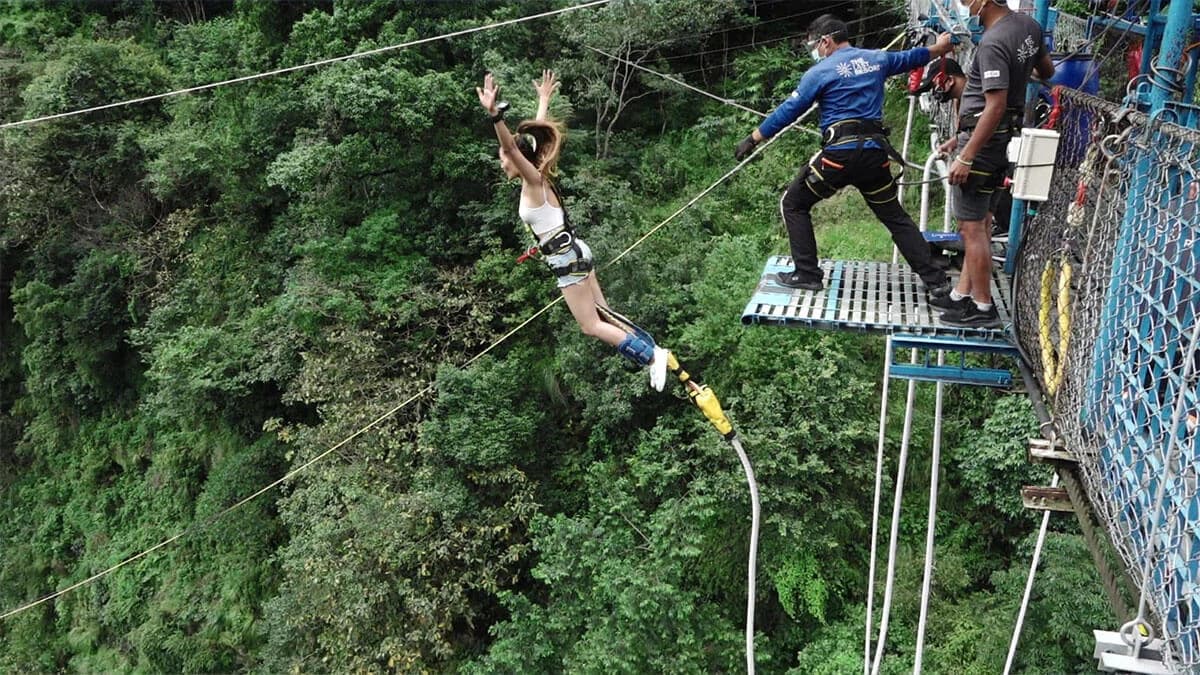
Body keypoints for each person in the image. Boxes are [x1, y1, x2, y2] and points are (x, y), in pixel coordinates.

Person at [733, 14, 955, 297]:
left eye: (814, 45)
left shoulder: (821, 72)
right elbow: (913, 57)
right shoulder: (876, 59)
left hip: (839, 157)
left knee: (793, 203)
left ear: (825, 41)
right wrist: (941, 47)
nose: (815, 52)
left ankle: (807, 273)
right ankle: (936, 281)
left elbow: (788, 111)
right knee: (894, 217)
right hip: (875, 156)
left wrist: (753, 138)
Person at [477, 70, 670, 390]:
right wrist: (542, 101)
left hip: (567, 259)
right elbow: (531, 143)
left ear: (516, 159)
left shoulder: (533, 181)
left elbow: (513, 148)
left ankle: (651, 357)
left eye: (503, 159)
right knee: (606, 315)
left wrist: (495, 115)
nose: (502, 164)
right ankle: (649, 351)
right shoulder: (536, 174)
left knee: (591, 325)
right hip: (575, 252)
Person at [938, 0, 1054, 328]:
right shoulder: (1028, 27)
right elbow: (1047, 72)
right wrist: (961, 141)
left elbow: (995, 104)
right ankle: (963, 293)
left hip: (983, 144)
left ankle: (982, 306)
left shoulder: (992, 42)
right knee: (982, 222)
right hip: (997, 140)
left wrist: (966, 155)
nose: (963, 6)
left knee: (971, 228)